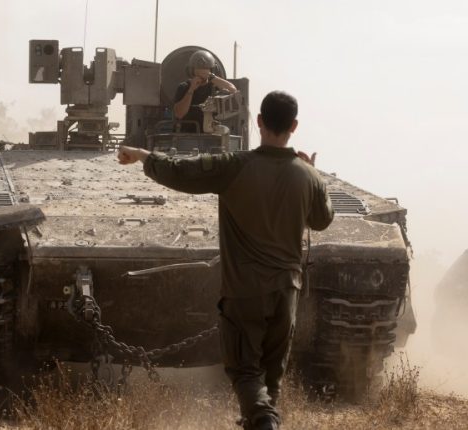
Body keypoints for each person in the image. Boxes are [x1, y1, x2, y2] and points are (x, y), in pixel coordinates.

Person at [117, 91, 334, 430]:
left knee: (245, 371)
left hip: (245, 291)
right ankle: (264, 419)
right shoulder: (308, 177)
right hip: (287, 292)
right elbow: (322, 219)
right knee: (270, 377)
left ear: (259, 122)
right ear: (293, 125)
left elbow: (181, 172)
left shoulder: (235, 166)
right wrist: (314, 174)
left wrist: (144, 155)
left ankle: (264, 422)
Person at [173, 49, 239, 133]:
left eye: (205, 68)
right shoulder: (184, 87)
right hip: (186, 134)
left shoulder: (215, 88)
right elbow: (179, 114)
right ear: (192, 71)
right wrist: (191, 90)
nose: (202, 71)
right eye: (199, 68)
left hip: (210, 134)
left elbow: (233, 90)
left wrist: (212, 77)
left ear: (211, 70)